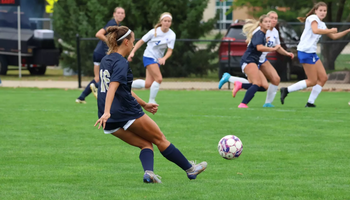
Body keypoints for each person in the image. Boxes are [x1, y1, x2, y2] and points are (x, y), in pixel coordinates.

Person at [94, 25, 207, 183]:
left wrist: (144, 104)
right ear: (126, 42)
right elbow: (113, 86)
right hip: (123, 112)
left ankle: (149, 173)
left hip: (109, 120)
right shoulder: (121, 62)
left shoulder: (106, 60)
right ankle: (190, 169)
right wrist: (108, 111)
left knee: (145, 144)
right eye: (133, 40)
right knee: (160, 138)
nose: (134, 44)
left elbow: (122, 88)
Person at [280, 2, 350, 107]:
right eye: (320, 10)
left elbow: (334, 37)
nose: (323, 12)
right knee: (312, 81)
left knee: (323, 78)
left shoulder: (322, 24)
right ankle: (286, 90)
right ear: (315, 11)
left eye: (324, 11)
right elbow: (315, 30)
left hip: (311, 53)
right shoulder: (313, 18)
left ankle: (310, 102)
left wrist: (348, 30)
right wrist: (330, 30)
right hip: (305, 52)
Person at [218, 11, 294, 108]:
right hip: (250, 60)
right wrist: (269, 48)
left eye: (276, 18)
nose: (273, 21)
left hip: (260, 59)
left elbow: (277, 46)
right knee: (255, 83)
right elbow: (258, 46)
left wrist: (287, 53)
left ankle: (266, 103)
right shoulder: (259, 31)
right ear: (263, 22)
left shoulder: (274, 31)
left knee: (267, 84)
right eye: (271, 18)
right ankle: (238, 95)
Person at [227, 15, 280, 108]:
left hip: (254, 61)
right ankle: (243, 104)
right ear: (260, 24)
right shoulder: (259, 34)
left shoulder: (263, 35)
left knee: (264, 86)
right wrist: (272, 49)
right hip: (248, 60)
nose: (268, 23)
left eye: (269, 22)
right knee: (256, 83)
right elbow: (259, 48)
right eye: (266, 22)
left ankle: (240, 84)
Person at [76, 7, 125, 103]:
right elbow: (98, 34)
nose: (120, 15)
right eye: (118, 13)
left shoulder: (117, 25)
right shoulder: (112, 24)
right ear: (114, 14)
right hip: (102, 54)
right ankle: (97, 87)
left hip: (98, 53)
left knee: (98, 77)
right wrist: (110, 42)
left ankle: (81, 97)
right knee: (109, 77)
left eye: (122, 13)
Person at [128, 12, 176, 104]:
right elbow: (141, 41)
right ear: (161, 21)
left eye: (169, 21)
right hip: (149, 56)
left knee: (148, 84)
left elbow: (170, 50)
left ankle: (126, 84)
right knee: (159, 79)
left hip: (157, 59)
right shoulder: (154, 31)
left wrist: (164, 58)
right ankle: (151, 101)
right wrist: (132, 52)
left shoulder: (172, 35)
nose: (167, 23)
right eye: (165, 20)